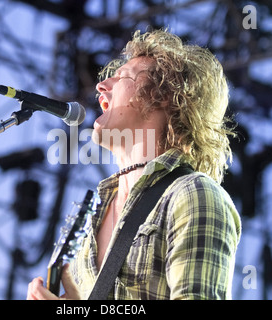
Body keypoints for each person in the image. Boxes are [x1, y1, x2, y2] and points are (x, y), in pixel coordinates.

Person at [27, 29, 241, 300]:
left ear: (164, 94)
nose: (101, 86)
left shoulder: (193, 195)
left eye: (123, 77)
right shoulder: (95, 214)